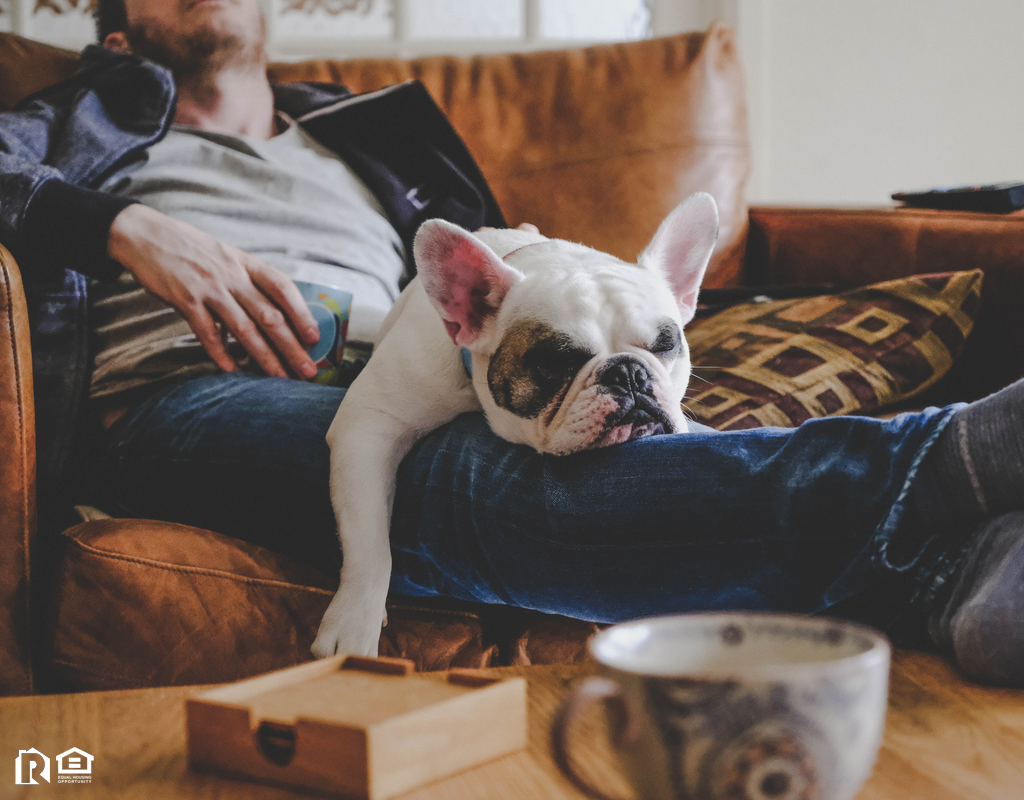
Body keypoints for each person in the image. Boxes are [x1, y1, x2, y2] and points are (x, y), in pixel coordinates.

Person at [4, 0, 1024, 685]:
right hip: (181, 395)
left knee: (548, 454)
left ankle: (951, 573)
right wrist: (119, 226)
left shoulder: (373, 133)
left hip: (386, 367)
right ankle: (967, 455)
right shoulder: (65, 127)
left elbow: (513, 321)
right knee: (464, 481)